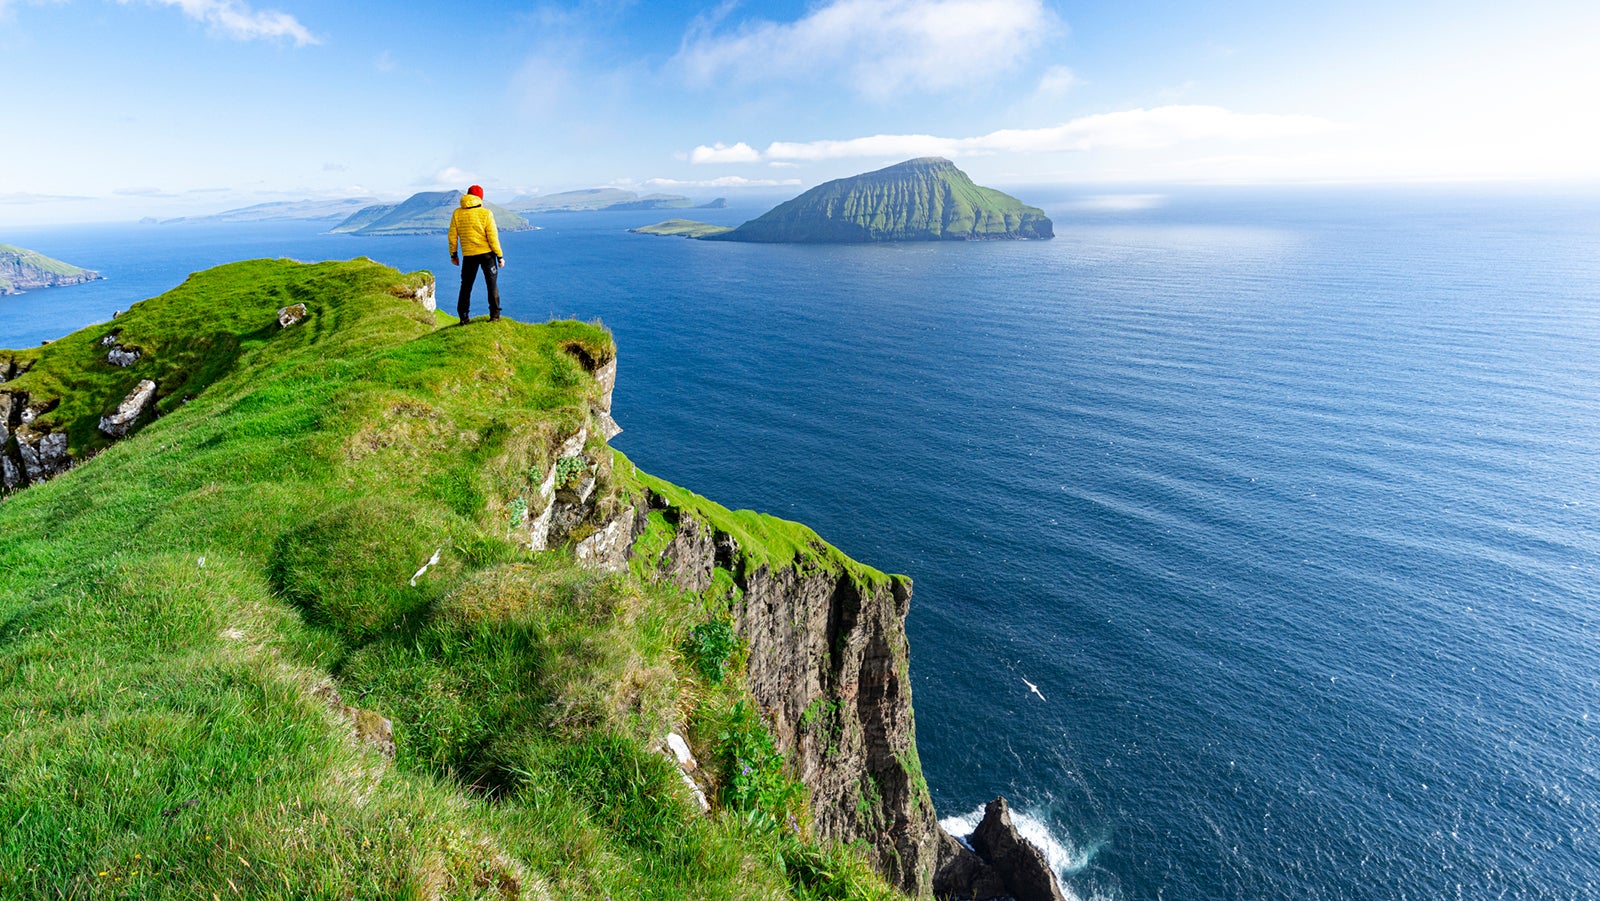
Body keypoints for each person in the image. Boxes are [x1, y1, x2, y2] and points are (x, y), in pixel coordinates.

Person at [447, 184, 504, 324]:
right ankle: (495, 316)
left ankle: (464, 318)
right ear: (480, 198)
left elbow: (452, 236)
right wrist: (500, 256)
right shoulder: (486, 213)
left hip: (468, 256)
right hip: (487, 255)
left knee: (466, 286)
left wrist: (453, 255)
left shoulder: (457, 213)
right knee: (492, 285)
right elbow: (492, 237)